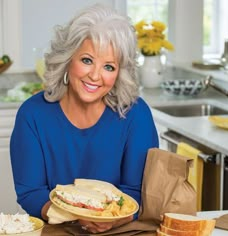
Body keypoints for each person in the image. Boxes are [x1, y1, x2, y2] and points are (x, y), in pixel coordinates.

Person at [10, 3, 159, 233]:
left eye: (109, 66)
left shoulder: (136, 115)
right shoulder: (32, 114)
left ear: (120, 73)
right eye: (87, 60)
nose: (95, 75)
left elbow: (136, 191)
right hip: (56, 228)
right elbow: (31, 191)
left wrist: (111, 219)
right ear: (68, 59)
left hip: (119, 230)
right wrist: (75, 216)